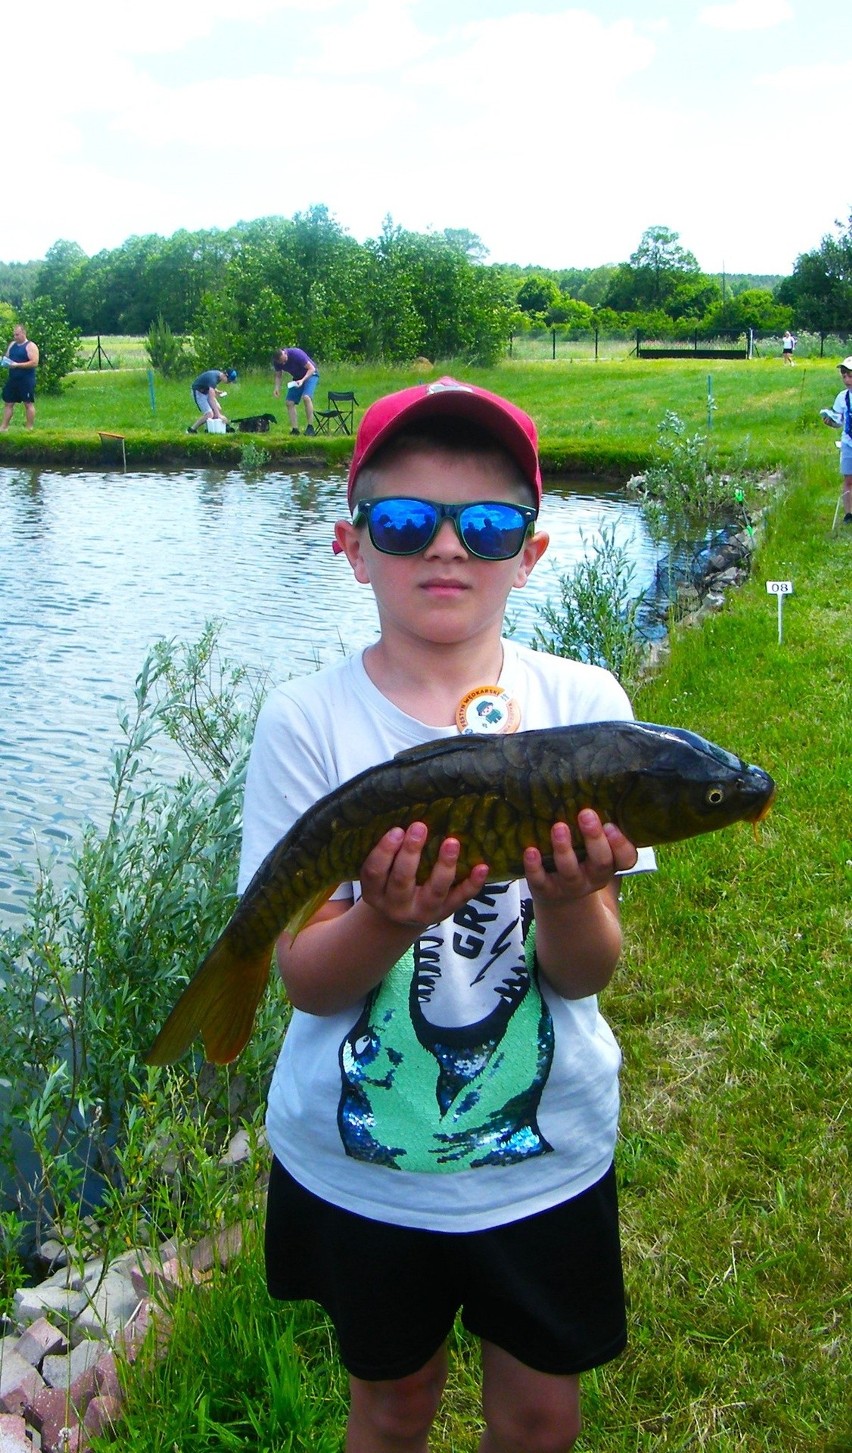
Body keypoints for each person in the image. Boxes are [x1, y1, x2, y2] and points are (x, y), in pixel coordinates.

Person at [238, 376, 655, 1453]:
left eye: (488, 523)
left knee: (538, 1411)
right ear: (352, 543)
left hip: (545, 1152)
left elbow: (585, 970)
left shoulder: (587, 706)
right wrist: (382, 919)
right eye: (408, 520)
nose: (448, 549)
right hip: (359, 1167)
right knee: (390, 1404)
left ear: (534, 550)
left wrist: (567, 900)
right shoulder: (306, 722)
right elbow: (306, 979)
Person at [820, 356, 852, 523]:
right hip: (848, 442)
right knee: (848, 478)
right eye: (844, 375)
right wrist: (831, 422)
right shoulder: (842, 397)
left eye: (850, 375)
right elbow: (840, 421)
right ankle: (849, 514)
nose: (847, 379)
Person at [272, 346, 319, 435]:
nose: (284, 363)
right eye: (282, 362)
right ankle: (295, 429)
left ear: (284, 353)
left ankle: (310, 427)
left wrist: (302, 380)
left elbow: (311, 368)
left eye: (284, 360)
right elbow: (278, 375)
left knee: (306, 397)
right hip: (297, 378)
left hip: (311, 374)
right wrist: (277, 388)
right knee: (289, 402)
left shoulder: (296, 354)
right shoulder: (277, 362)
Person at [1, 322, 39, 430]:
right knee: (8, 403)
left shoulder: (30, 346)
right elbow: (7, 358)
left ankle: (29, 427)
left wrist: (18, 365)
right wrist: (4, 362)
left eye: (17, 335)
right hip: (13, 379)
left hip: (26, 380)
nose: (15, 337)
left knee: (28, 404)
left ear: (24, 333)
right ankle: (3, 427)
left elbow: (34, 362)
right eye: (14, 335)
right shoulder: (12, 345)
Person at [187, 368, 237, 433]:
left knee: (218, 408)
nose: (229, 383)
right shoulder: (213, 378)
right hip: (198, 392)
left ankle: (211, 428)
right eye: (229, 381)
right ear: (225, 375)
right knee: (209, 414)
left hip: (205, 391)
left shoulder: (219, 376)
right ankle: (191, 430)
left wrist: (217, 391)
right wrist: (219, 415)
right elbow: (211, 399)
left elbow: (209, 385)